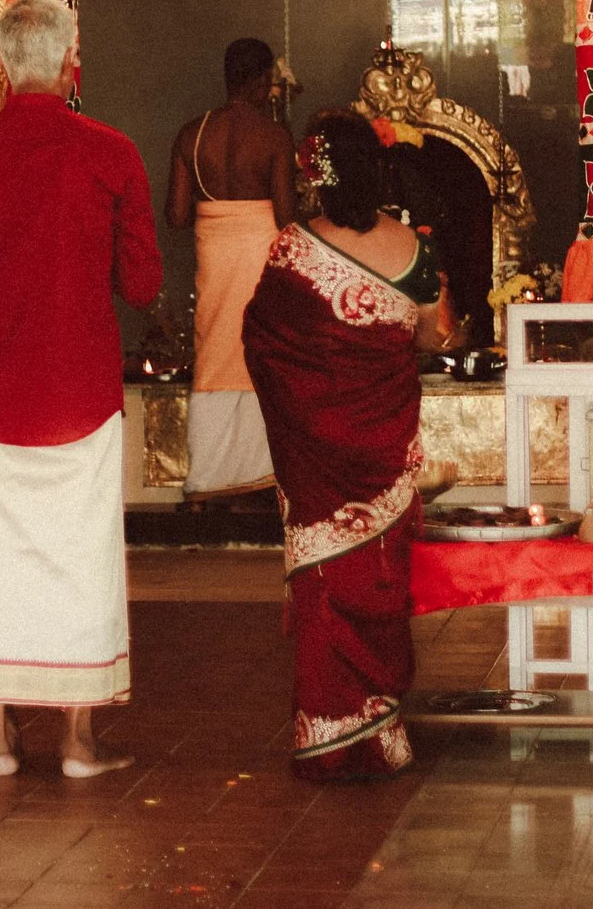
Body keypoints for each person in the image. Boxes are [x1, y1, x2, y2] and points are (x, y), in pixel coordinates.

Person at [0, 0, 161, 778]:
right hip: (80, 394)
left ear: (0, 65)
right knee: (84, 558)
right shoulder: (111, 152)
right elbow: (142, 282)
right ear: (70, 65)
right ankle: (78, 740)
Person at [240, 109, 455, 782]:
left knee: (327, 583)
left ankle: (333, 729)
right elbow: (436, 334)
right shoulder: (413, 252)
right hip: (384, 448)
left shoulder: (292, 248)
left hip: (314, 462)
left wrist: (307, 413)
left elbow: (262, 343)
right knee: (380, 581)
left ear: (317, 175)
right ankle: (383, 718)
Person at [165, 37, 294, 503]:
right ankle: (260, 475)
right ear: (262, 82)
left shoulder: (191, 134)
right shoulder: (273, 136)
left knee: (215, 348)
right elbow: (285, 218)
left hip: (214, 256)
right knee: (262, 347)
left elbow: (177, 215)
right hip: (260, 254)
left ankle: (209, 478)